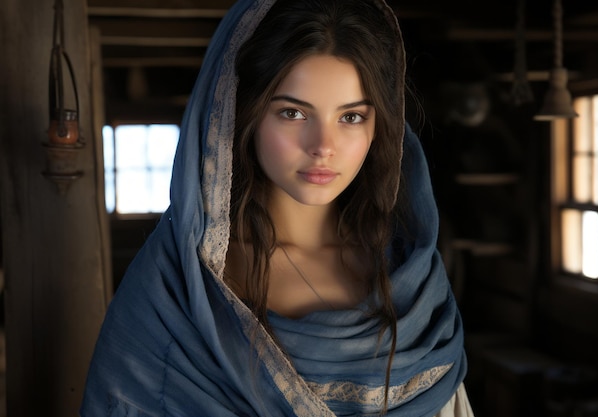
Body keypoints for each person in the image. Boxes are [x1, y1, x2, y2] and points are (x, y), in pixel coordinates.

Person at [80, 0, 474, 416]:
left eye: (351, 117)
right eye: (292, 112)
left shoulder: (412, 276)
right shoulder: (180, 286)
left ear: (381, 126)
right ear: (242, 113)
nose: (323, 146)